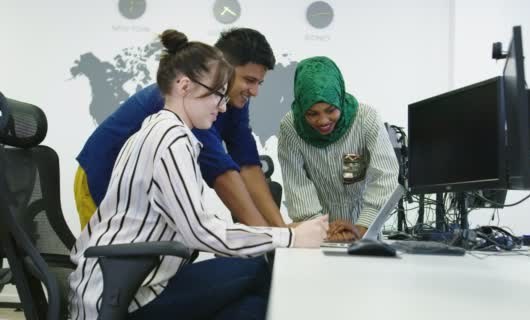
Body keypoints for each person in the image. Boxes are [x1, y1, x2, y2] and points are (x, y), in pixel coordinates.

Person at [68, 29, 328, 320]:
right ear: (186, 85)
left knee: (251, 305)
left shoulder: (180, 120)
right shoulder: (173, 136)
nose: (223, 105)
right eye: (219, 94)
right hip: (119, 285)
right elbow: (218, 189)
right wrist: (283, 239)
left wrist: (282, 232)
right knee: (255, 273)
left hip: (146, 277)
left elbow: (246, 163)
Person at [74, 28, 285, 230]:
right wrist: (267, 234)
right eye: (249, 80)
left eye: (260, 83)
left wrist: (280, 228)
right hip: (102, 173)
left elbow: (247, 163)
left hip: (144, 188)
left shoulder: (233, 99)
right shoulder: (191, 99)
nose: (255, 91)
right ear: (225, 68)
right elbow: (221, 173)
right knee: (112, 258)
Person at [278, 56, 399, 242]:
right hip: (320, 233)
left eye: (331, 110)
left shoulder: (365, 119)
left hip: (365, 229)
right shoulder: (291, 127)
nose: (323, 121)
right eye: (312, 114)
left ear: (340, 99)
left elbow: (386, 176)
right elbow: (298, 186)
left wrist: (362, 228)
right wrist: (324, 233)